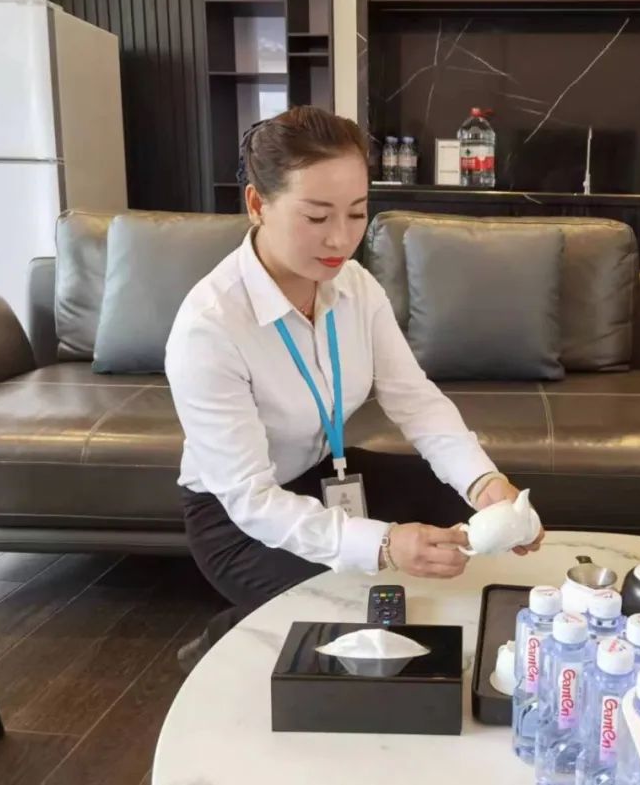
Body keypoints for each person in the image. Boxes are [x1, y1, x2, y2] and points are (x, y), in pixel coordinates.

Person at [166, 106, 544, 669]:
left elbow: (414, 399)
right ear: (257, 205)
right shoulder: (211, 326)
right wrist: (385, 544)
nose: (340, 238)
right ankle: (233, 629)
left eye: (357, 213)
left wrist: (484, 481)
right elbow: (252, 500)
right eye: (316, 216)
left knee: (470, 511)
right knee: (358, 616)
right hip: (237, 519)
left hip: (325, 474)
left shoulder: (355, 286)